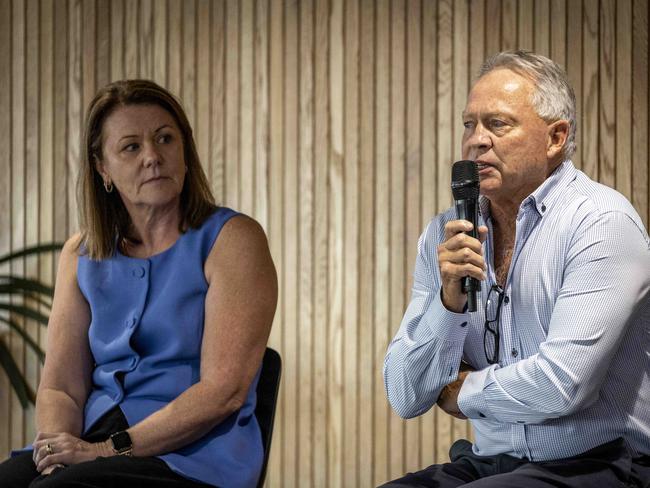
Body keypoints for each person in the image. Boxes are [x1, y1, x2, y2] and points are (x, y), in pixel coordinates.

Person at [382, 50, 650, 487]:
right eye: (470, 124)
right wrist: (449, 303)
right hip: (493, 461)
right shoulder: (447, 233)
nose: (476, 140)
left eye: (498, 124)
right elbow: (406, 393)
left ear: (555, 137)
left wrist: (461, 392)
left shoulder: (600, 223)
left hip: (603, 465)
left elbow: (562, 385)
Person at [0, 80, 278, 488]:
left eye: (165, 138)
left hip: (191, 456)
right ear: (103, 168)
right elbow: (61, 387)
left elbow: (224, 392)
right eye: (131, 147)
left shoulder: (233, 239)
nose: (153, 156)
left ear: (185, 151)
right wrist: (56, 454)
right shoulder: (82, 253)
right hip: (90, 441)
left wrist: (105, 450)